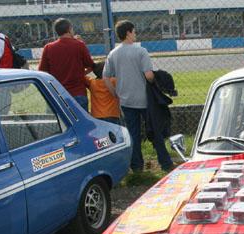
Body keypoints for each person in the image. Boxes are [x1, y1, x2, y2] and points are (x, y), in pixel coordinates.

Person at [103, 20, 174, 172]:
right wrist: (157, 79)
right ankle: (165, 163)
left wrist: (115, 93)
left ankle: (136, 166)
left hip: (126, 100)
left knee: (133, 134)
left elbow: (106, 77)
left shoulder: (113, 54)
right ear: (128, 32)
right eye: (134, 31)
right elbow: (148, 75)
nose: (135, 34)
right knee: (155, 131)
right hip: (144, 99)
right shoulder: (141, 51)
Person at [38, 18, 94, 112]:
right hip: (77, 92)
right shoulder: (79, 45)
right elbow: (91, 66)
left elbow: (42, 71)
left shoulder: (48, 47)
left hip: (57, 92)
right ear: (69, 29)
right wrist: (81, 74)